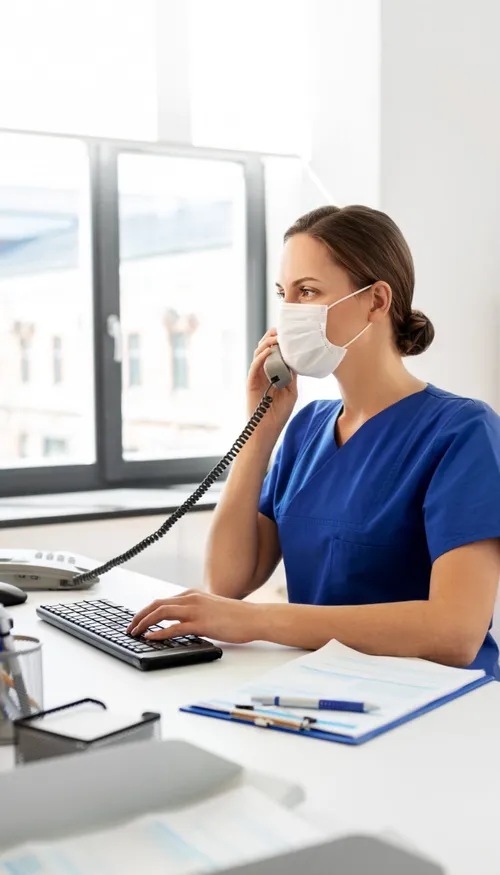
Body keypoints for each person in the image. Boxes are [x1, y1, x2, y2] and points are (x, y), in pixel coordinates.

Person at [129, 205, 500, 674]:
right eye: (284, 294)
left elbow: (456, 633)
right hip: (324, 690)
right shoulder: (305, 428)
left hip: (441, 709)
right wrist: (258, 433)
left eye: (307, 292)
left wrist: (260, 621)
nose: (289, 313)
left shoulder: (462, 432)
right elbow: (226, 581)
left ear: (376, 300)